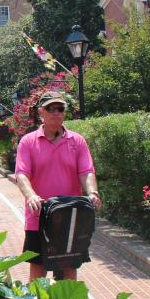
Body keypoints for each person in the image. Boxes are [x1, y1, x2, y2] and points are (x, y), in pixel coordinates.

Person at [15, 91, 101, 281]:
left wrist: (92, 192)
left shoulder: (77, 141)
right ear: (41, 112)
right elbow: (21, 174)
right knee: (38, 272)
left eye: (60, 108)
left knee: (69, 270)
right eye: (50, 108)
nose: (56, 112)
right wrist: (31, 196)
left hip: (70, 216)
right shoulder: (28, 142)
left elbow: (86, 171)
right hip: (39, 216)